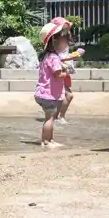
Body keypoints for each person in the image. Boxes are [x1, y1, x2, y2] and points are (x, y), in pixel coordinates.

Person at [36, 21, 70, 149]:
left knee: (49, 117)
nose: (66, 44)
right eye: (64, 41)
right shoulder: (54, 57)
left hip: (43, 93)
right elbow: (58, 75)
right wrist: (65, 72)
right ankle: (46, 142)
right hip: (48, 94)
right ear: (54, 41)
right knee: (50, 118)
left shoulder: (46, 56)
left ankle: (50, 139)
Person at [50, 16, 85, 126]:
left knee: (65, 96)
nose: (67, 28)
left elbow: (64, 55)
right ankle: (57, 117)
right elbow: (56, 58)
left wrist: (74, 55)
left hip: (65, 71)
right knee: (68, 95)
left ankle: (58, 117)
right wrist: (73, 56)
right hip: (58, 71)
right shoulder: (54, 41)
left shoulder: (64, 38)